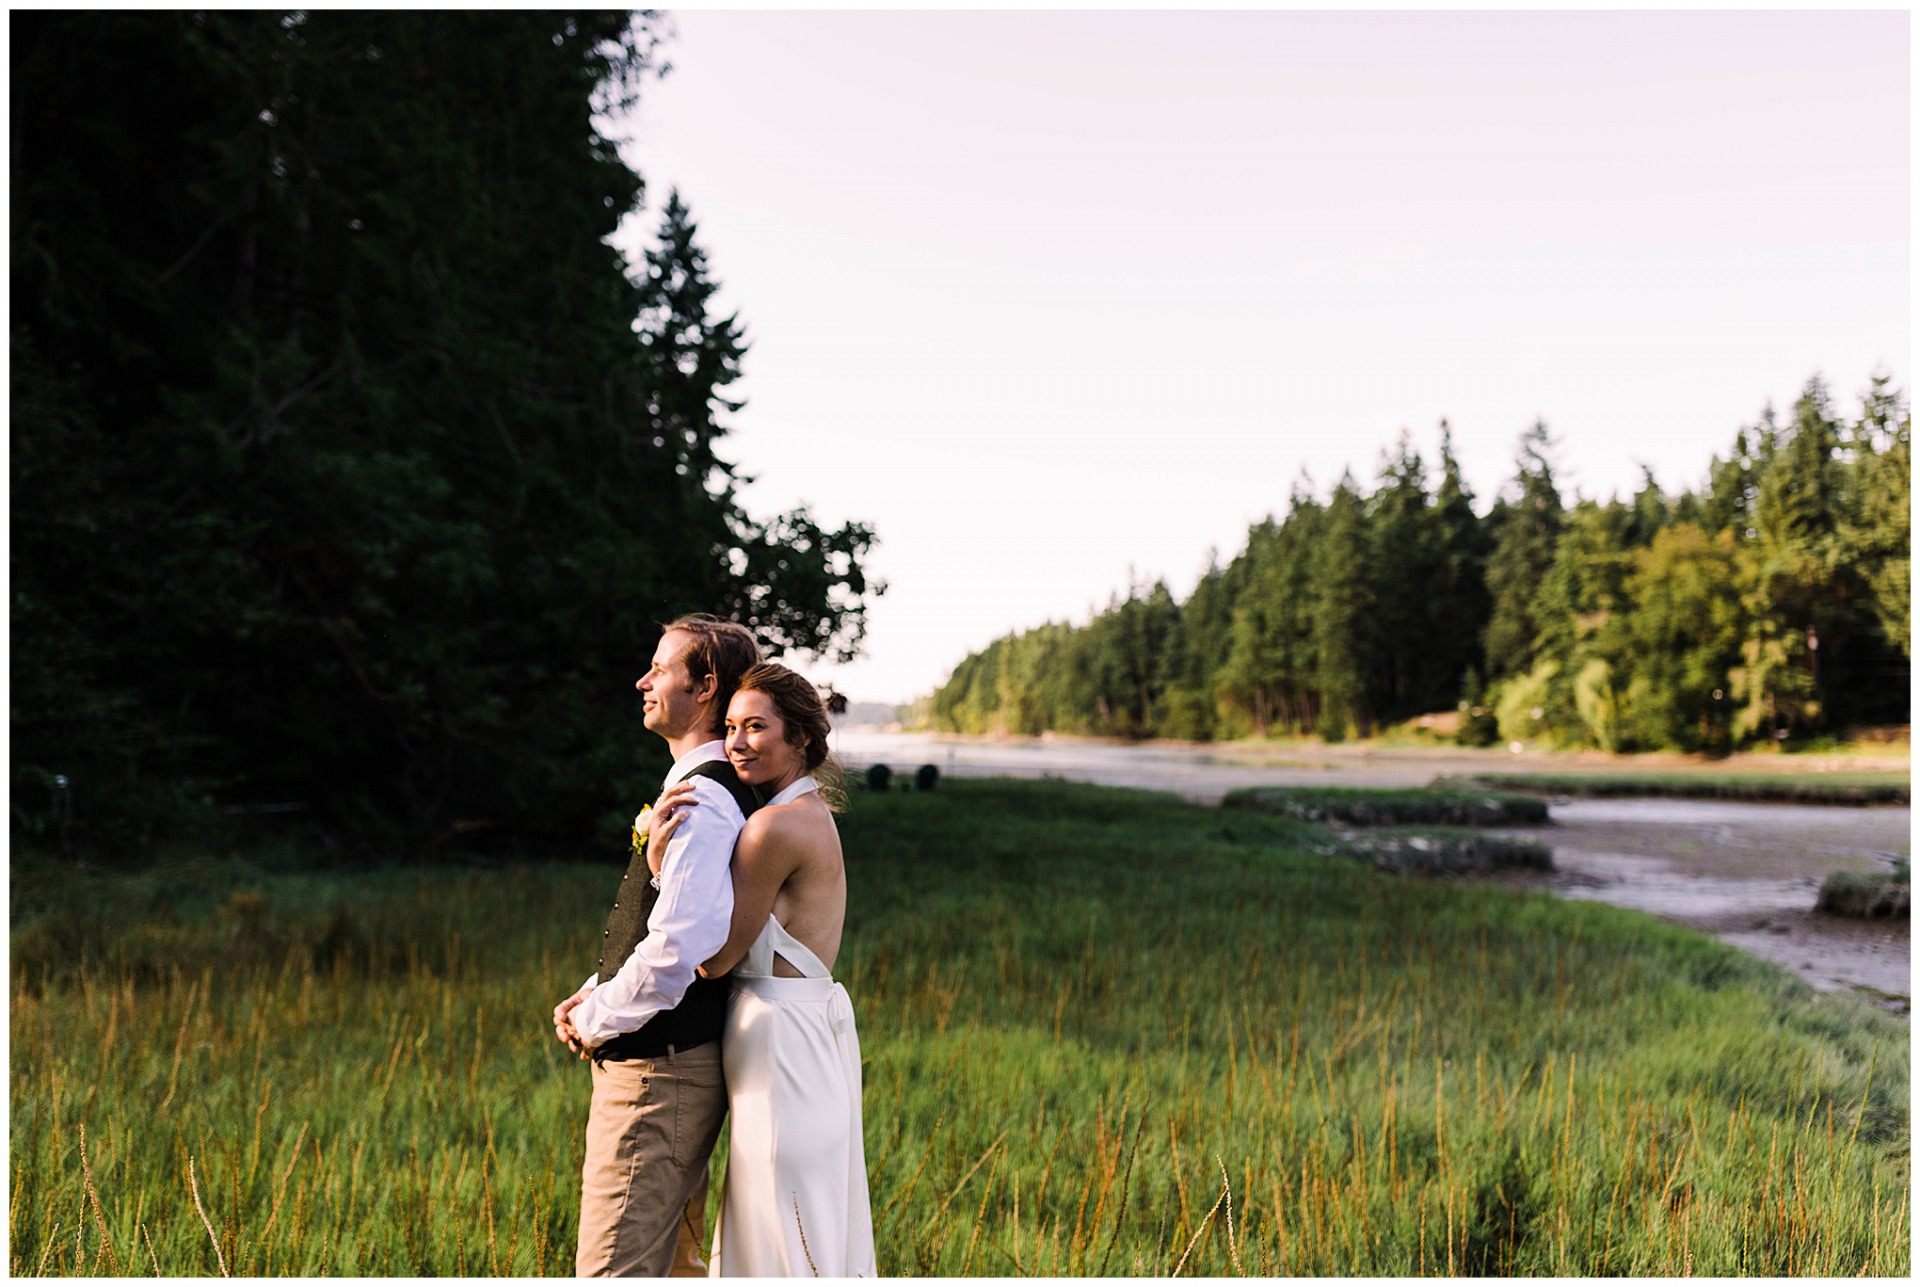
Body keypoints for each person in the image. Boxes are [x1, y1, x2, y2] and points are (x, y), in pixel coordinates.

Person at [645, 663, 877, 1277]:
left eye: (756, 727)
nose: (739, 742)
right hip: (809, 1028)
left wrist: (662, 864)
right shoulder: (813, 811)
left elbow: (715, 956)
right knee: (804, 1207)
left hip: (778, 1038)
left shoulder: (771, 827)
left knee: (777, 1211)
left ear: (799, 737)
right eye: (730, 727)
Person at [552, 614, 763, 1278]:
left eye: (661, 669)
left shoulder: (705, 796)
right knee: (672, 1268)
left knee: (615, 1269)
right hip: (665, 1066)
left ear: (706, 688)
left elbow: (682, 945)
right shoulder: (702, 786)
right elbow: (667, 917)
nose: (643, 681)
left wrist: (596, 1019)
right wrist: (595, 987)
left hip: (656, 1077)